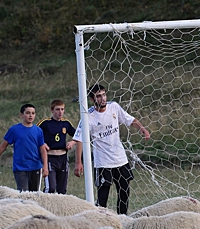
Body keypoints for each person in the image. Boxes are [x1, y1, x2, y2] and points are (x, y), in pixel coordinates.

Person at [73, 84, 150, 215]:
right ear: (92, 99)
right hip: (103, 162)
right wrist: (78, 162)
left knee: (124, 192)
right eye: (98, 96)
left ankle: (123, 219)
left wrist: (141, 128)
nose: (102, 98)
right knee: (103, 196)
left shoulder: (114, 107)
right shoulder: (88, 117)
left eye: (103, 94)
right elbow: (79, 139)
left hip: (120, 159)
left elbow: (129, 119)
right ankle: (100, 220)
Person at [0, 104, 49, 191]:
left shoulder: (38, 131)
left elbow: (43, 150)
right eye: (28, 113)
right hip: (20, 168)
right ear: (21, 115)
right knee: (23, 194)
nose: (30, 115)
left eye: (33, 113)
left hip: (35, 167)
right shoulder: (14, 130)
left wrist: (45, 166)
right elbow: (2, 147)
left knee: (34, 196)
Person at [37, 99, 78, 194]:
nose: (60, 112)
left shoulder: (66, 123)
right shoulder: (45, 123)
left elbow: (78, 135)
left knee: (62, 189)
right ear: (52, 110)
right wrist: (42, 143)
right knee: (51, 187)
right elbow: (34, 134)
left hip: (63, 157)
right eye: (57, 109)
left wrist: (72, 142)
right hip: (50, 157)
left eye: (62, 109)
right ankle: (44, 205)